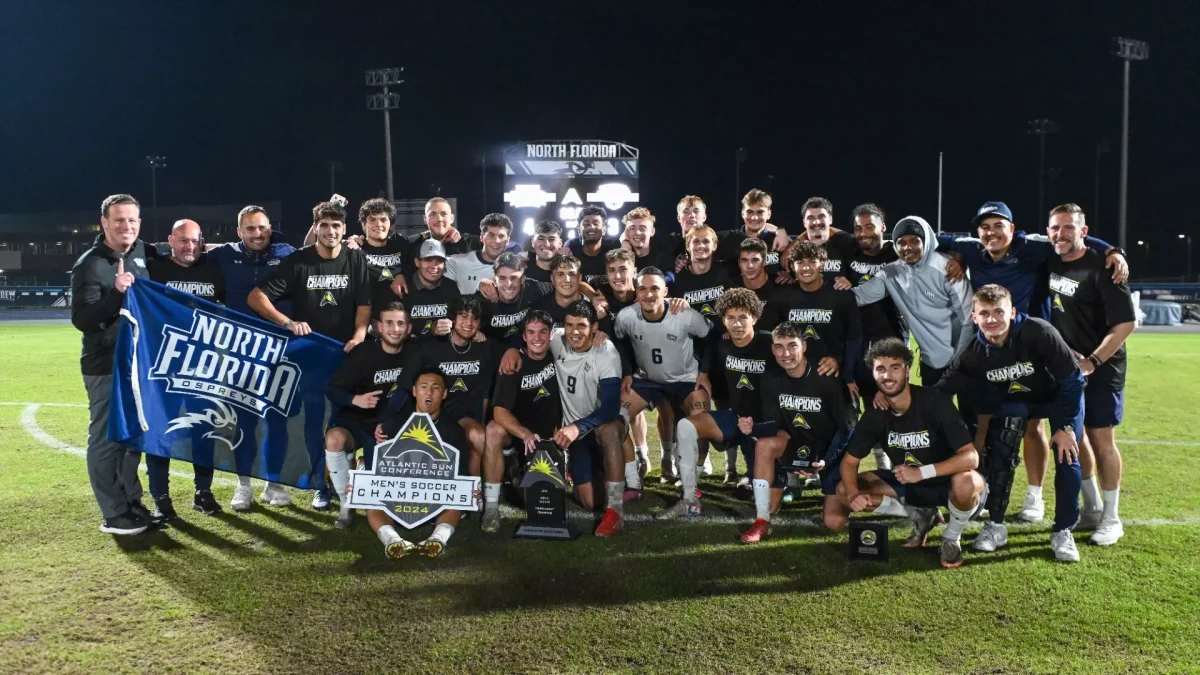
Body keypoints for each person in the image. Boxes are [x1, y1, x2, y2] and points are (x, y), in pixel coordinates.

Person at [938, 201, 1128, 510]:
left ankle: (1040, 498)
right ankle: (981, 495)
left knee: (1043, 426)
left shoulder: (1033, 246)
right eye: (985, 227)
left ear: (1012, 229)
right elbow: (937, 239)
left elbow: (1072, 236)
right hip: (989, 348)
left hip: (1035, 348)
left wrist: (1114, 250)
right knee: (985, 422)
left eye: (999, 225)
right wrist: (958, 255)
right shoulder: (972, 248)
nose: (991, 232)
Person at [933, 285, 1086, 562]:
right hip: (1019, 400)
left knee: (1067, 455)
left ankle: (1063, 529)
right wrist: (900, 398)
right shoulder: (973, 353)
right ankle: (996, 525)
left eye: (999, 312)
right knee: (1001, 446)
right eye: (985, 313)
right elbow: (941, 391)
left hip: (1058, 397)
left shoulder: (1038, 331)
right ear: (974, 316)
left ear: (1012, 312)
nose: (992, 320)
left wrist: (1065, 428)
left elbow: (1073, 380)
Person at [248, 199, 372, 510]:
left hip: (349, 356)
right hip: (313, 359)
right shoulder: (298, 262)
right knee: (316, 422)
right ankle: (321, 486)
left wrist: (359, 336)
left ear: (344, 230)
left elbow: (364, 305)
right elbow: (256, 297)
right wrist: (287, 322)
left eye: (336, 226)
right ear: (315, 228)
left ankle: (355, 485)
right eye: (325, 225)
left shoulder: (356, 259)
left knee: (351, 421)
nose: (331, 231)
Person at [834, 339, 986, 569]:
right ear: (873, 374)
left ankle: (951, 538)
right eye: (880, 369)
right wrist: (854, 494)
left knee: (968, 481)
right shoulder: (877, 412)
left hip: (947, 482)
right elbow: (849, 462)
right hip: (910, 484)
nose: (888, 375)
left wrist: (922, 473)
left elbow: (971, 458)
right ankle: (922, 515)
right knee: (844, 489)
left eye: (895, 367)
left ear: (907, 370)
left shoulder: (934, 402)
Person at [1043, 204, 1136, 545]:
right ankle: (1093, 508)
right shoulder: (1051, 258)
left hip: (1102, 368)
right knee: (1076, 437)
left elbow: (1126, 324)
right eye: (1055, 228)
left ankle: (1112, 519)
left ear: (1083, 232)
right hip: (1068, 370)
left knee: (1101, 439)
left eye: (1069, 228)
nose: (1060, 234)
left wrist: (1092, 362)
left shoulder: (1103, 268)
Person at [71, 194, 157, 535]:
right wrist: (117, 293)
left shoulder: (138, 251)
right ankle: (113, 512)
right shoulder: (91, 263)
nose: (127, 226)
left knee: (131, 436)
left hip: (136, 363)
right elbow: (82, 319)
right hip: (105, 365)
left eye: (133, 220)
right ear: (104, 222)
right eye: (119, 220)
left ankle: (131, 501)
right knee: (107, 439)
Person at [206, 204, 296, 510]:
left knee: (277, 420)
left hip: (278, 351)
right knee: (243, 421)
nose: (257, 234)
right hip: (239, 352)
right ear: (239, 231)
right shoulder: (222, 254)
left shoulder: (287, 252)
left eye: (262, 228)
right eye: (250, 228)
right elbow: (186, 258)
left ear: (270, 228)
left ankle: (274, 483)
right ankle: (243, 485)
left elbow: (317, 253)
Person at [665, 288, 775, 518]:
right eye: (730, 318)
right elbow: (710, 350)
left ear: (754, 317)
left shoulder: (771, 344)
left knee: (769, 502)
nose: (736, 324)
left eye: (743, 317)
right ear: (723, 320)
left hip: (767, 426)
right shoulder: (723, 344)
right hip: (735, 418)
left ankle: (774, 491)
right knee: (686, 425)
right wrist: (704, 373)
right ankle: (689, 499)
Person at [739, 322, 853, 543]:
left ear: (804, 346)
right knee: (764, 445)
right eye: (779, 347)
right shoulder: (772, 378)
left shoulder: (826, 377)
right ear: (773, 349)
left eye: (792, 346)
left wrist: (825, 461)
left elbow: (847, 429)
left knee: (834, 523)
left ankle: (863, 489)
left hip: (830, 449)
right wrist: (752, 427)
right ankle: (761, 521)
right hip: (796, 445)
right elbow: (774, 424)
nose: (786, 353)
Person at [145, 218, 226, 520]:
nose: (189, 246)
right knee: (160, 432)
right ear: (170, 240)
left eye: (194, 240)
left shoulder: (214, 269)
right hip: (162, 366)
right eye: (182, 240)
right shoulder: (155, 269)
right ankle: (160, 498)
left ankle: (203, 492)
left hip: (202, 366)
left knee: (203, 429)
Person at [850, 215, 973, 411]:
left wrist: (959, 363)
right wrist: (820, 290)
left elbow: (969, 321)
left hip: (965, 359)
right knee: (935, 421)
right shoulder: (891, 272)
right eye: (901, 242)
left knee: (974, 419)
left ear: (926, 240)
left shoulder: (947, 268)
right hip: (931, 361)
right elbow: (857, 297)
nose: (908, 247)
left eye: (915, 240)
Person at [615, 267, 713, 506]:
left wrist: (705, 371)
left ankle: (692, 482)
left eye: (655, 288)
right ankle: (633, 483)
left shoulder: (685, 315)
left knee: (700, 420)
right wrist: (627, 371)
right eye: (642, 289)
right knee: (615, 418)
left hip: (686, 379)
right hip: (648, 380)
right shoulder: (626, 316)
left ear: (666, 291)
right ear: (636, 293)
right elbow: (619, 341)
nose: (648, 294)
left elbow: (711, 336)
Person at [378, 295, 496, 479]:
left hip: (463, 418)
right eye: (463, 316)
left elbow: (484, 393)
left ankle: (473, 495)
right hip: (432, 417)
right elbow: (404, 387)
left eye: (474, 318)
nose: (469, 323)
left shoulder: (483, 349)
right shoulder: (430, 348)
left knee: (478, 436)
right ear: (453, 319)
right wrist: (386, 420)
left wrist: (480, 420)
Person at [368, 368, 475, 559]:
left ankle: (437, 539)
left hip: (435, 498)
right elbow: (379, 470)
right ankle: (393, 541)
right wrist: (362, 485)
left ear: (444, 394)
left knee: (456, 503)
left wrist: (469, 490)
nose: (429, 392)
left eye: (435, 388)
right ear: (415, 391)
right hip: (400, 496)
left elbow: (460, 476)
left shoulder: (454, 432)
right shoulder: (393, 425)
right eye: (424, 387)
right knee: (373, 501)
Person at [324, 301, 411, 529]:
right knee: (334, 439)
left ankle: (366, 467)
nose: (395, 328)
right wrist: (356, 400)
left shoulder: (415, 353)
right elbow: (332, 389)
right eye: (389, 323)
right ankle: (346, 504)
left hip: (392, 427)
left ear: (409, 329)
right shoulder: (363, 353)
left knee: (386, 503)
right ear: (379, 328)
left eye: (401, 323)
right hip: (357, 423)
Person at [480, 310, 562, 532]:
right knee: (494, 430)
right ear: (523, 336)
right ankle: (491, 506)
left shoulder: (561, 355)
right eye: (531, 332)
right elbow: (499, 411)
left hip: (548, 440)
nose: (537, 338)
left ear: (551, 335)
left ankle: (515, 473)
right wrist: (524, 434)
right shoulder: (513, 363)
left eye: (543, 332)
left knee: (538, 504)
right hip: (520, 435)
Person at [766, 241, 863, 401]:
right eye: (799, 262)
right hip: (794, 373)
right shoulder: (781, 297)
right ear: (792, 266)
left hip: (832, 372)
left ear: (822, 264)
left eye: (812, 261)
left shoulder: (841, 294)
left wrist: (847, 375)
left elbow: (854, 338)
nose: (805, 267)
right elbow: (770, 335)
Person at [844, 204, 907, 400]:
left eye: (870, 226)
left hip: (889, 337)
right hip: (854, 338)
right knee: (859, 398)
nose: (863, 233)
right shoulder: (847, 250)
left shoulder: (897, 254)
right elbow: (823, 230)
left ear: (883, 227)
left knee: (892, 399)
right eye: (858, 228)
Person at [474, 251, 554, 345]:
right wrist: (472, 333)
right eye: (502, 278)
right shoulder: (484, 297)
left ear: (523, 279)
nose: (508, 284)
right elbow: (459, 317)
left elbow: (559, 287)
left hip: (519, 345)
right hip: (489, 347)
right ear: (494, 279)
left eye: (514, 278)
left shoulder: (532, 288)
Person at [402, 239, 463, 342]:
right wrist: (431, 329)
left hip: (442, 350)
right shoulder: (403, 287)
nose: (434, 266)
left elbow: (458, 318)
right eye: (428, 260)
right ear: (417, 262)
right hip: (409, 350)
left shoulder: (451, 287)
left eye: (439, 261)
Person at [446, 213, 514, 295]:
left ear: (508, 241)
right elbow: (428, 264)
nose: (496, 241)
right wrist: (434, 233)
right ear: (481, 237)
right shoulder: (458, 262)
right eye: (491, 235)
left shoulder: (516, 267)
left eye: (501, 236)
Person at [797, 196, 857, 285]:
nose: (816, 222)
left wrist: (851, 283)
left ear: (830, 219)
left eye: (821, 217)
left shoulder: (846, 244)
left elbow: (858, 276)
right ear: (804, 222)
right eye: (810, 218)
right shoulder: (796, 249)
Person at [568, 205, 623, 284]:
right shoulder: (571, 254)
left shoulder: (614, 250)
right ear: (578, 230)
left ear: (604, 229)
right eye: (586, 224)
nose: (591, 227)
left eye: (596, 223)